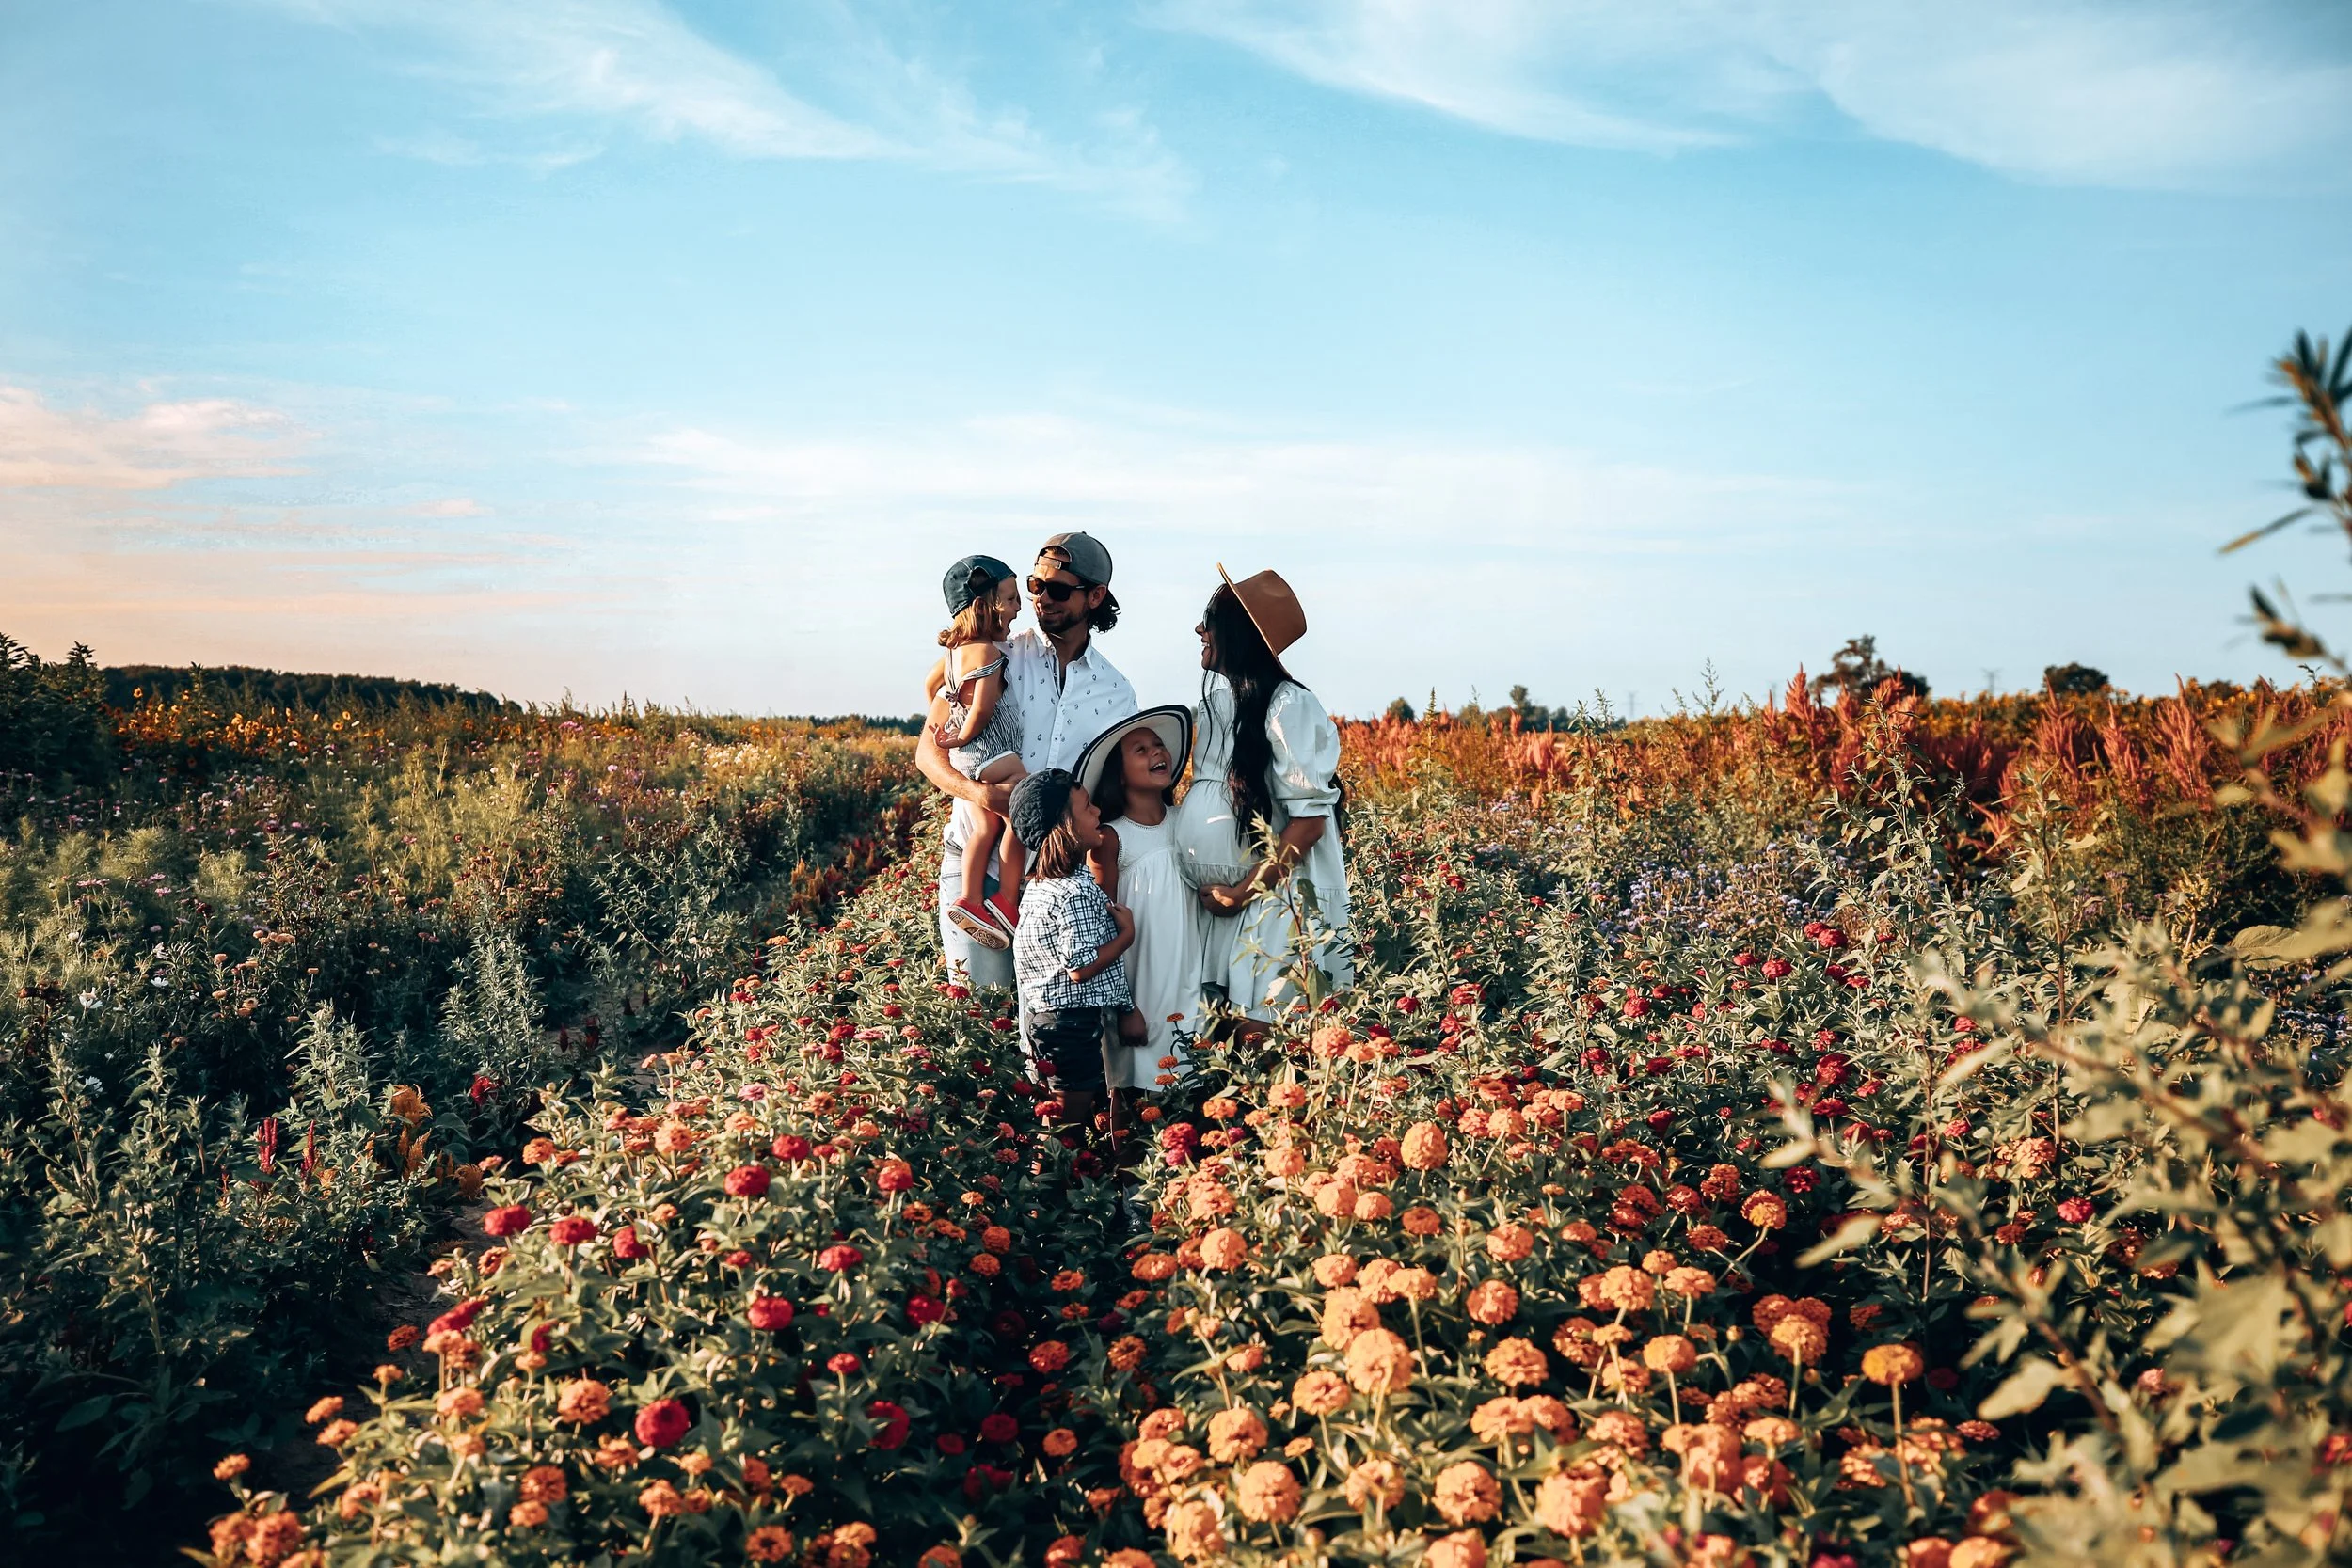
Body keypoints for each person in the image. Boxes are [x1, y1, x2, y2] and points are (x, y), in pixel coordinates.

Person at [916, 532, 1136, 988]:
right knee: (979, 1019)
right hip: (978, 868)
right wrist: (979, 793)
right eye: (1035, 586)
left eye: (1057, 590)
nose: (1040, 599)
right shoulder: (994, 653)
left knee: (1046, 1033)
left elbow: (1113, 793)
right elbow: (927, 753)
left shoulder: (1117, 693)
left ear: (1095, 597)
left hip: (1055, 884)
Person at [1172, 566, 1351, 1019]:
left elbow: (1309, 821)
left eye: (1209, 619)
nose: (1199, 630)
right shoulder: (1214, 705)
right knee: (1214, 1047)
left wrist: (1243, 892)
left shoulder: (1289, 705)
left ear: (1240, 632)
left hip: (1269, 900)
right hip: (1212, 908)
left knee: (1263, 1038)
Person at [1070, 705, 1199, 1098]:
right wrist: (1126, 1007)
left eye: (1158, 744)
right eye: (1140, 750)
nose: (1156, 752)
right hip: (1141, 980)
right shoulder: (1111, 838)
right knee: (1134, 1089)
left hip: (1191, 972)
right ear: (1119, 773)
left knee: (1194, 1082)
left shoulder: (1187, 820)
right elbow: (1101, 922)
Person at [1008, 768, 1132, 1132]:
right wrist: (1126, 935)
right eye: (1087, 807)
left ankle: (1043, 1183)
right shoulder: (1074, 890)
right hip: (1069, 1027)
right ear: (1065, 823)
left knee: (1056, 1123)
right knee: (1064, 1131)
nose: (1096, 813)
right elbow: (1080, 967)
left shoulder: (1040, 885)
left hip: (1047, 1021)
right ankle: (1044, 1187)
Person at [930, 556, 1026, 948]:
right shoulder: (987, 653)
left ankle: (970, 900)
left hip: (970, 758)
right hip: (987, 749)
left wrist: (950, 711)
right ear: (985, 604)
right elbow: (984, 709)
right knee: (1025, 804)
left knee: (987, 826)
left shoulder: (954, 654)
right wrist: (961, 733)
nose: (1018, 607)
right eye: (1011, 598)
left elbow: (929, 687)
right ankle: (1006, 898)